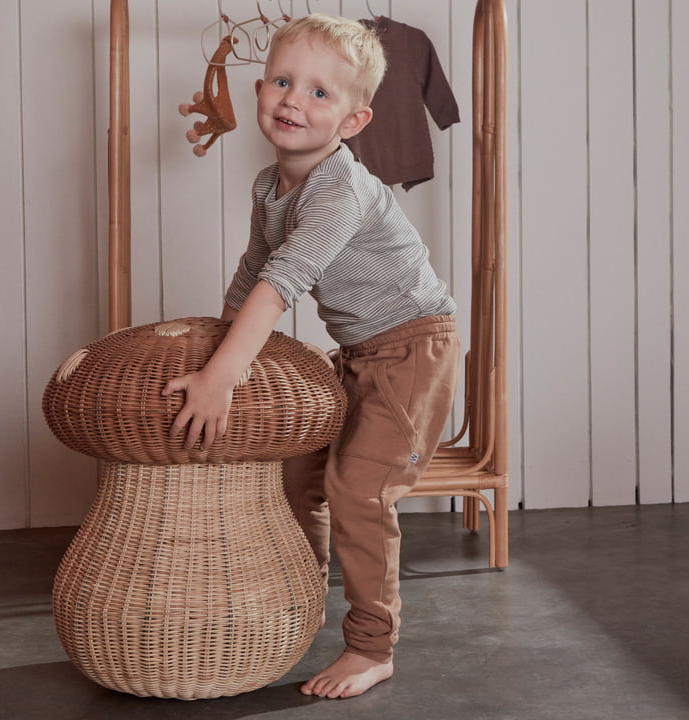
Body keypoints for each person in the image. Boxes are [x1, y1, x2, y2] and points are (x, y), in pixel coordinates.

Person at [163, 13, 460, 699]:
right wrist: (213, 352)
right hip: (356, 349)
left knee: (360, 488)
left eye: (320, 93)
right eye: (282, 81)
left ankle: (371, 646)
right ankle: (298, 600)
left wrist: (221, 378)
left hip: (415, 348)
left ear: (354, 122)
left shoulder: (343, 188)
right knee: (296, 476)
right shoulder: (271, 187)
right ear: (261, 89)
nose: (293, 99)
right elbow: (250, 277)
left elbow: (283, 283)